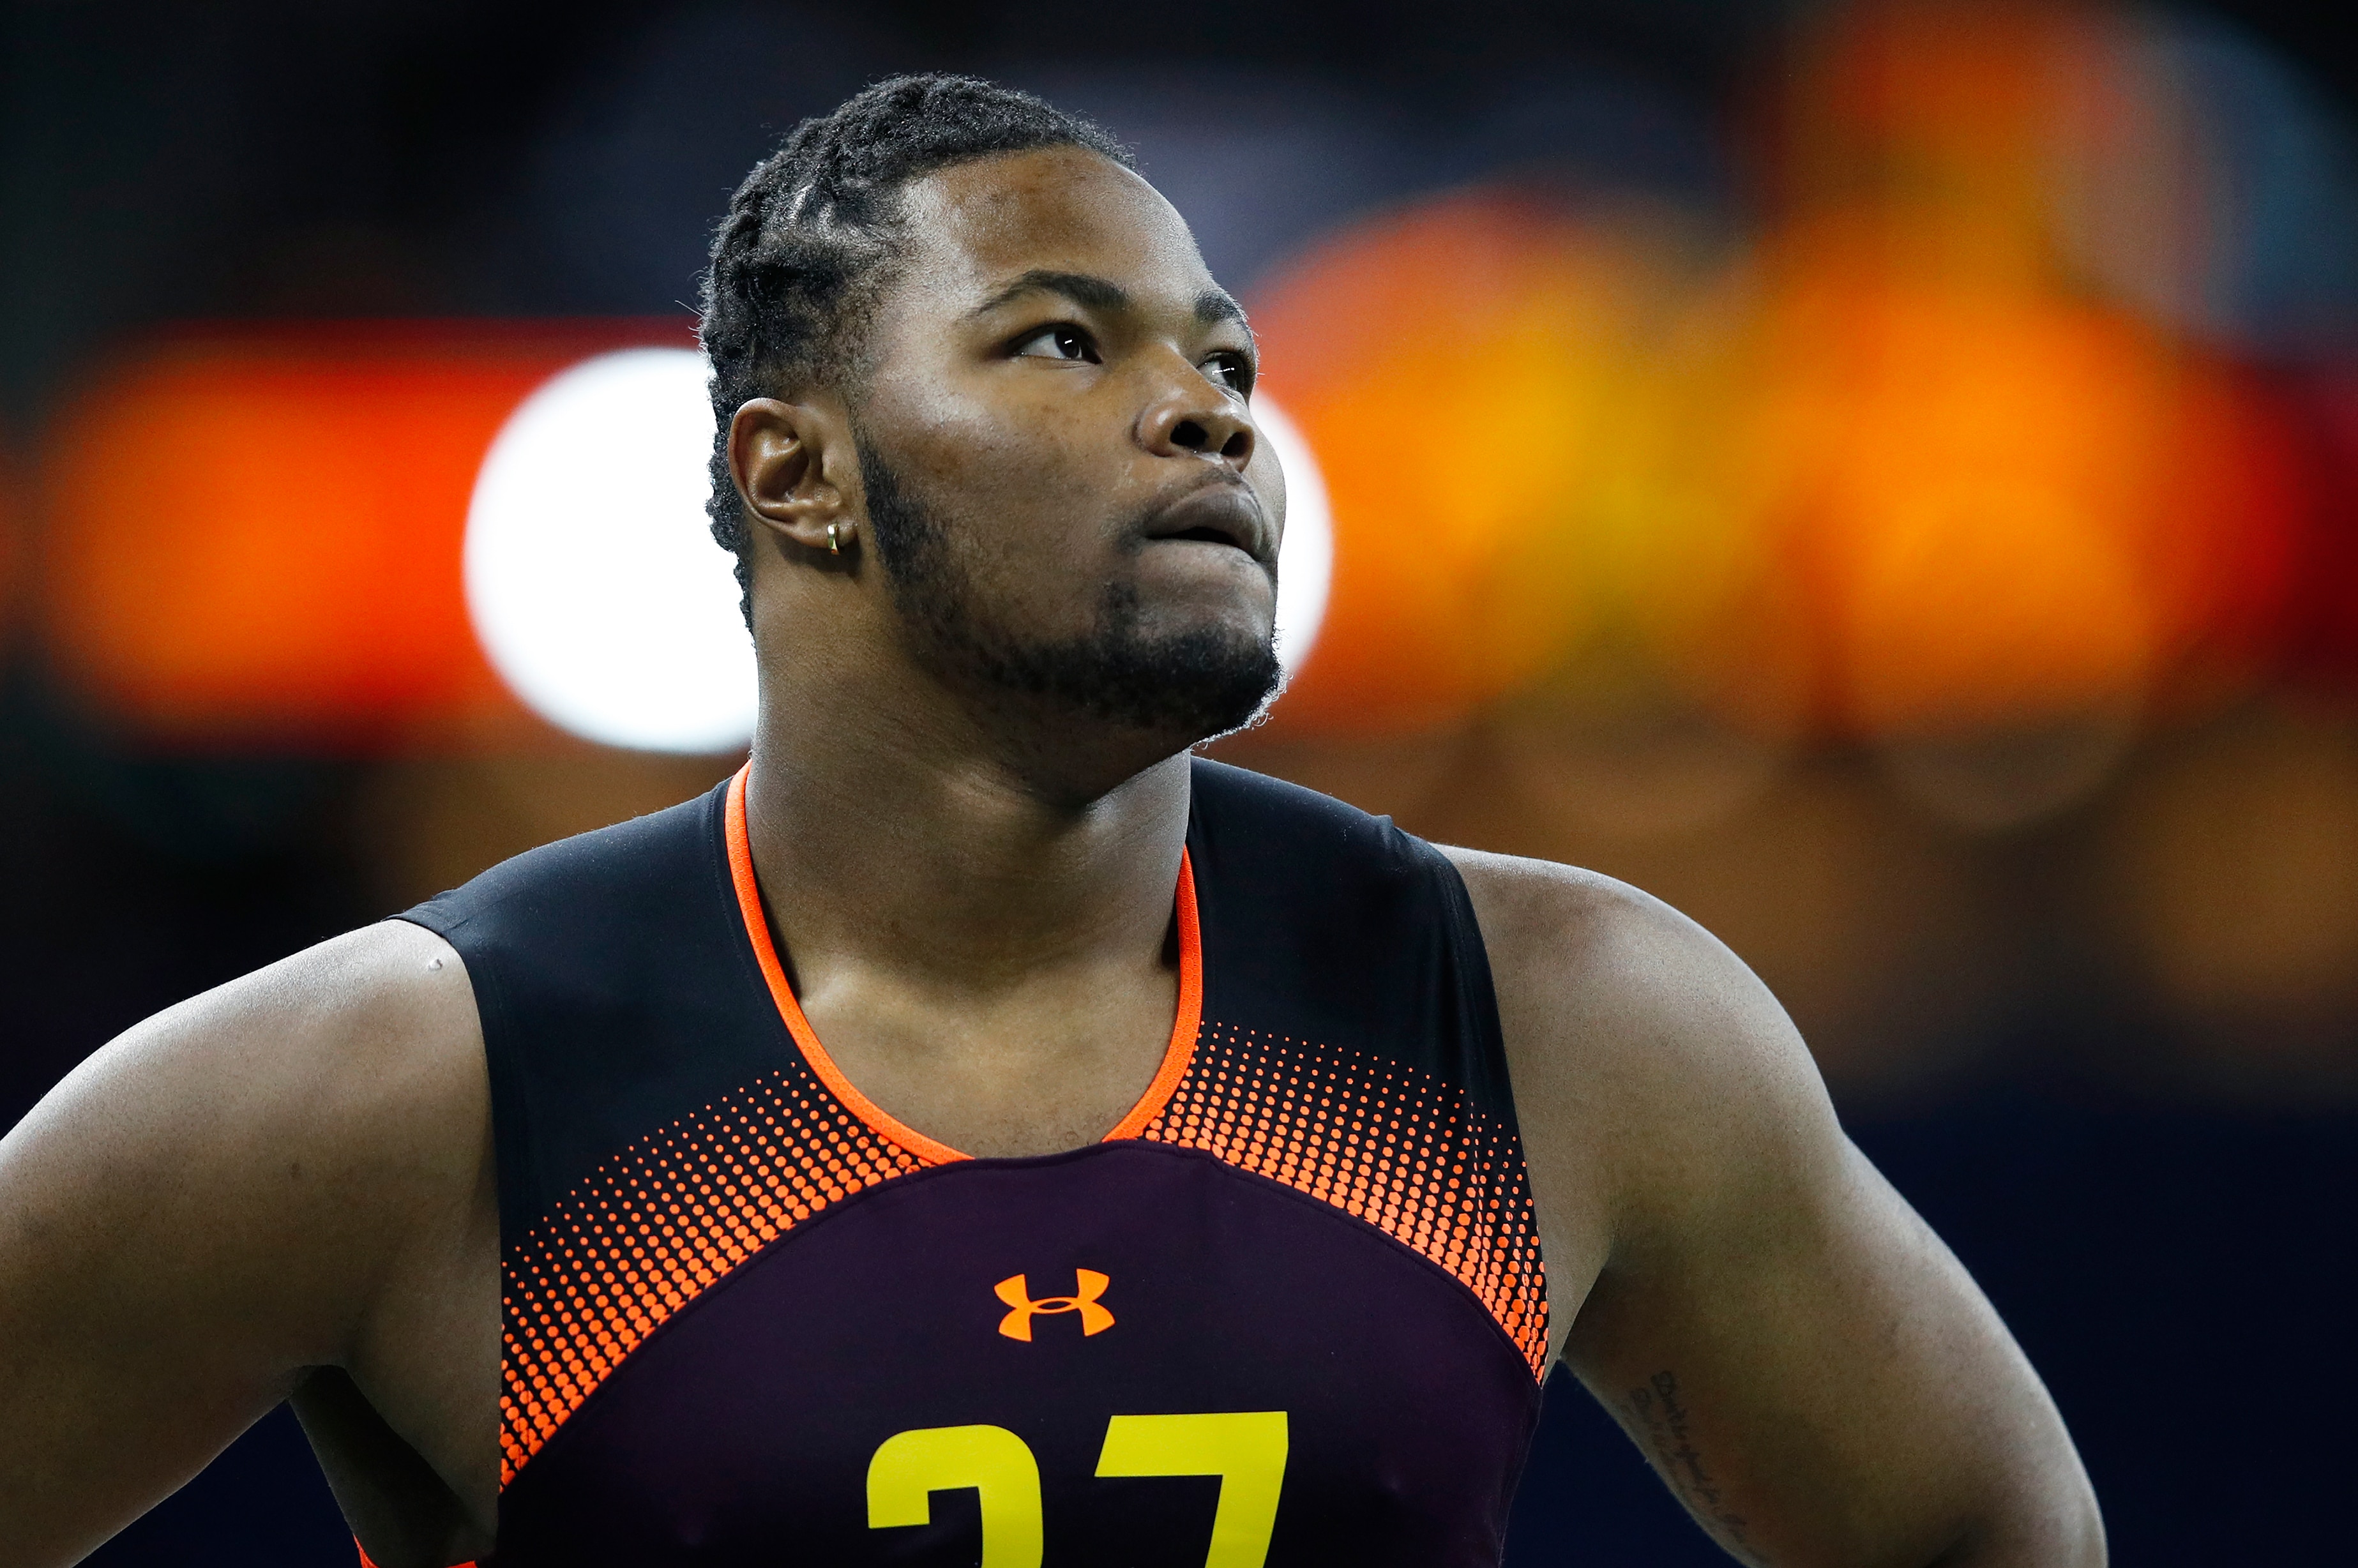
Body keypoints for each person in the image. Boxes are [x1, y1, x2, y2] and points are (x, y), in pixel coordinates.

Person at [0, 74, 2103, 1568]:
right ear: (795, 474)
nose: (1206, 411)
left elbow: (1985, 1535)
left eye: (1227, 361)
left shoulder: (1569, 1016)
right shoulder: (410, 1085)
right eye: (1065, 342)